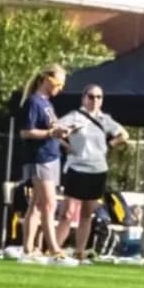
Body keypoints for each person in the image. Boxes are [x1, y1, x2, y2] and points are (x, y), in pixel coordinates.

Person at [55, 84, 126, 264]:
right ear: (83, 98)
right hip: (77, 167)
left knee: (87, 213)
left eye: (99, 97)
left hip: (98, 169)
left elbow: (123, 134)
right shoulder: (75, 116)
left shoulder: (104, 119)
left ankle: (79, 252)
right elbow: (54, 130)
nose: (95, 100)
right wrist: (67, 145)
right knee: (68, 213)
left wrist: (110, 145)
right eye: (91, 96)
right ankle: (54, 250)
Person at [17, 64, 72, 264]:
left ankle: (28, 248)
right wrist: (51, 133)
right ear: (46, 79)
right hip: (41, 158)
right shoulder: (34, 102)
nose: (60, 87)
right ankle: (54, 249)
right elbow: (25, 132)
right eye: (58, 82)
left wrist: (63, 137)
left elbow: (50, 128)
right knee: (49, 204)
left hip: (50, 155)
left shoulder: (47, 103)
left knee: (38, 206)